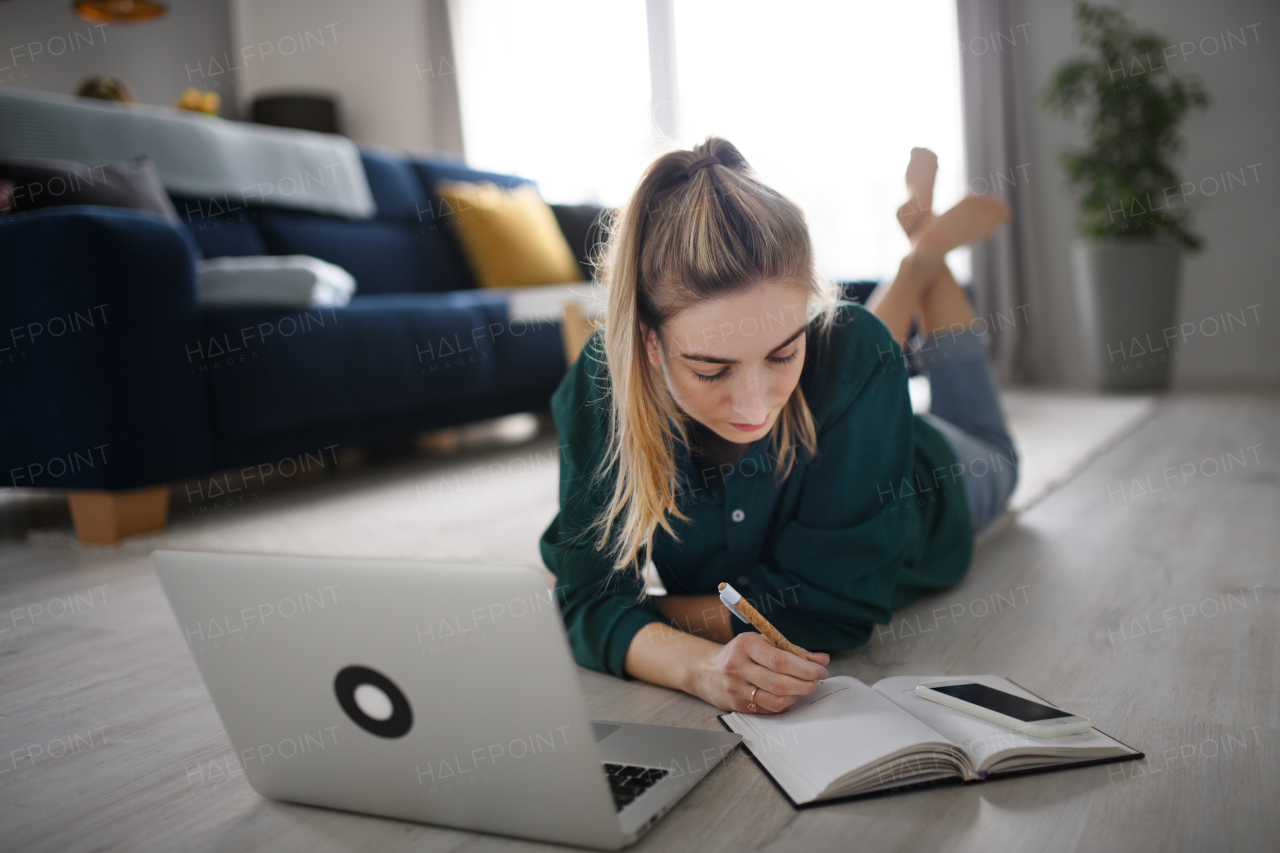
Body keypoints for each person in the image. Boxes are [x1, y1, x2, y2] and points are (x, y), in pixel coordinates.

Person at [541, 137, 1017, 714]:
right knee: (858, 354)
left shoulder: (849, 353)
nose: (753, 408)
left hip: (941, 473)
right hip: (855, 401)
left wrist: (631, 612)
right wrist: (694, 665)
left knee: (990, 445)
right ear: (649, 341)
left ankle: (924, 253)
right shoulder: (602, 386)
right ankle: (922, 249)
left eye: (782, 354)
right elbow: (589, 601)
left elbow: (826, 610)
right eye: (711, 370)